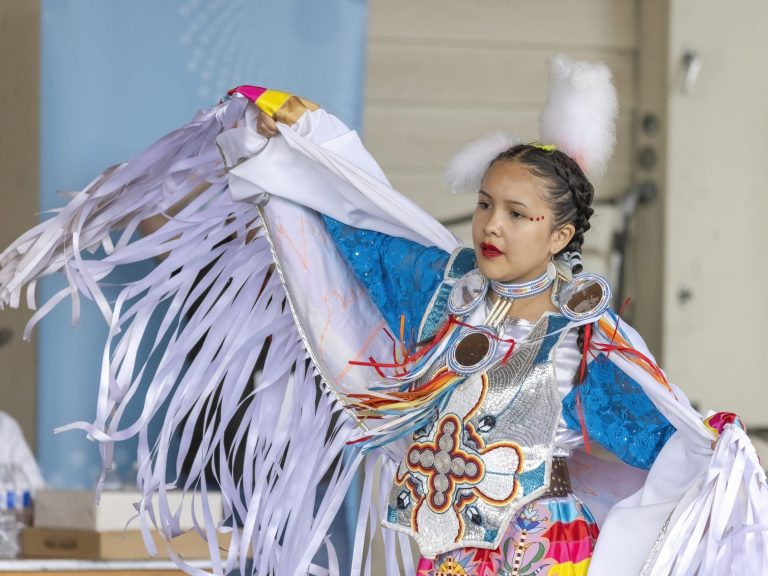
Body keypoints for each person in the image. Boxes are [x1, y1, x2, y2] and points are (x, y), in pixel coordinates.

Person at [0, 56, 765, 576]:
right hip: (446, 542)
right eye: (485, 205)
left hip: (540, 543)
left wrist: (714, 450)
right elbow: (355, 223)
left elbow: (654, 442)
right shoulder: (445, 288)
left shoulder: (584, 336)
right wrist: (290, 147)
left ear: (561, 235)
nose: (492, 226)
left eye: (518, 214)